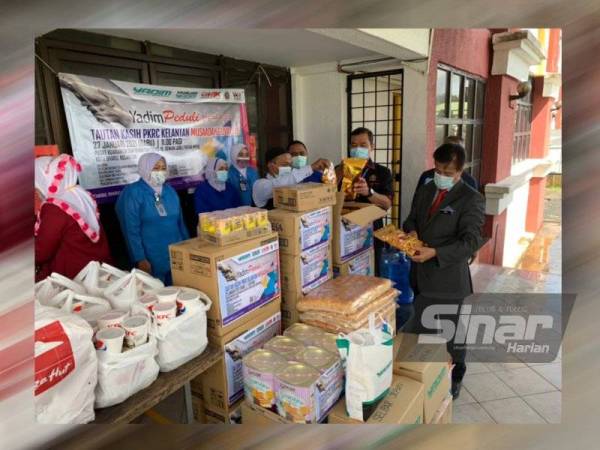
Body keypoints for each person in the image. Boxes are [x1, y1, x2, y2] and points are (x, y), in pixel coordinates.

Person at [402, 143, 485, 400]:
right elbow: (411, 218)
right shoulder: (426, 189)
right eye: (438, 170)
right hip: (419, 274)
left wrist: (436, 252)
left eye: (448, 173)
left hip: (448, 279)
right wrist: (411, 233)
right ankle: (428, 374)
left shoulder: (471, 198)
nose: (441, 176)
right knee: (423, 328)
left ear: (461, 171)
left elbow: (471, 242)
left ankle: (456, 374)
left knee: (451, 333)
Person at [35, 154, 112, 281]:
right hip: (95, 270)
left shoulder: (55, 207)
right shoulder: (79, 194)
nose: (36, 190)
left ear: (45, 180)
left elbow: (42, 252)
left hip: (74, 276)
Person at [116, 153, 189, 285]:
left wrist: (187, 247)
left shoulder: (170, 191)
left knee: (179, 290)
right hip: (151, 257)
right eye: (156, 168)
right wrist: (140, 258)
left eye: (163, 168)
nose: (160, 171)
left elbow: (180, 223)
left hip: (176, 254)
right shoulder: (133, 193)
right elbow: (130, 229)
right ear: (145, 168)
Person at [337, 127, 393, 275]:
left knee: (372, 275)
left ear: (372, 147)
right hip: (345, 233)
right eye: (354, 145)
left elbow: (387, 203)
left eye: (363, 145)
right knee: (347, 277)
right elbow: (328, 195)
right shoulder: (340, 169)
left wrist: (369, 193)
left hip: (372, 233)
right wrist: (338, 174)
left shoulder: (382, 172)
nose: (357, 149)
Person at [252, 147, 331, 209]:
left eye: (290, 165)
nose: (289, 168)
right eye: (285, 164)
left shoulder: (293, 181)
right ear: (270, 165)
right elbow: (279, 184)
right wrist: (311, 167)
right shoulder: (261, 185)